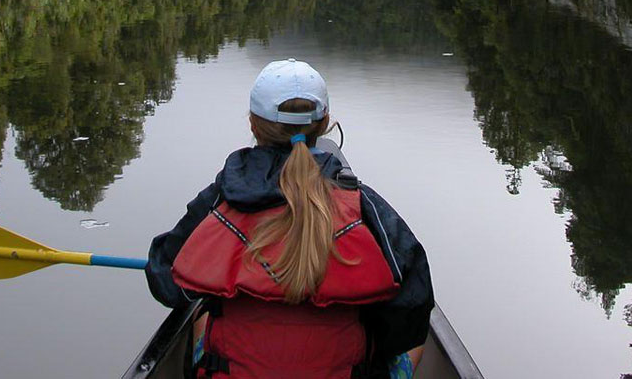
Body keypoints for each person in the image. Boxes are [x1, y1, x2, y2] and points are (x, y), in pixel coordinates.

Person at [146, 59, 434, 378]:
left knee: (200, 310)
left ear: (253, 125)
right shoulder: (363, 205)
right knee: (411, 341)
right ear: (325, 123)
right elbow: (414, 305)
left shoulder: (218, 201)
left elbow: (167, 281)